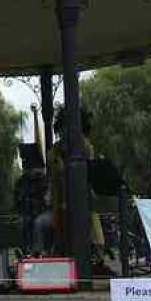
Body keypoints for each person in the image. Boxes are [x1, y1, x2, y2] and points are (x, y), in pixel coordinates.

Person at [47, 105, 96, 256]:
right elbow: (54, 172)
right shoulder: (54, 151)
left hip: (81, 200)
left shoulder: (85, 146)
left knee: (87, 231)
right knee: (61, 235)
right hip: (59, 201)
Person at [15, 144, 50, 255]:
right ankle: (25, 251)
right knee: (22, 222)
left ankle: (38, 252)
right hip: (28, 212)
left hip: (44, 212)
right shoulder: (22, 182)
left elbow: (47, 200)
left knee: (37, 222)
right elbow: (18, 201)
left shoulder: (44, 180)